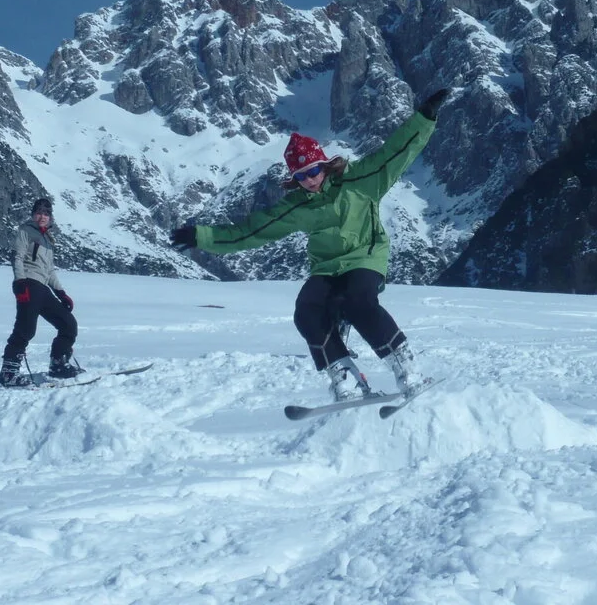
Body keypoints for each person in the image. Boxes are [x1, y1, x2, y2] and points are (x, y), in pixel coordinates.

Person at [170, 88, 451, 402]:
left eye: (314, 170)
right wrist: (202, 237)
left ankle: (407, 371)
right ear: (295, 178)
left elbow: (397, 152)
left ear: (324, 164)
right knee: (306, 310)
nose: (311, 180)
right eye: (302, 176)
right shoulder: (296, 208)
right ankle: (342, 375)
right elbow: (250, 232)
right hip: (327, 268)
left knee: (358, 302)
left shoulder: (361, 180)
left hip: (365, 258)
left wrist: (425, 117)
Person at [0, 197, 80, 388]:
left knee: (68, 324)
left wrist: (61, 293)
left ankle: (58, 365)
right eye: (39, 212)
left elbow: (49, 270)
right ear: (33, 214)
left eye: (46, 213)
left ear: (50, 217)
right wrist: (20, 283)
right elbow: (17, 257)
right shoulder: (26, 231)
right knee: (25, 329)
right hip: (28, 284)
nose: (42, 216)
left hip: (42, 287)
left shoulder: (48, 240)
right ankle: (8, 374)